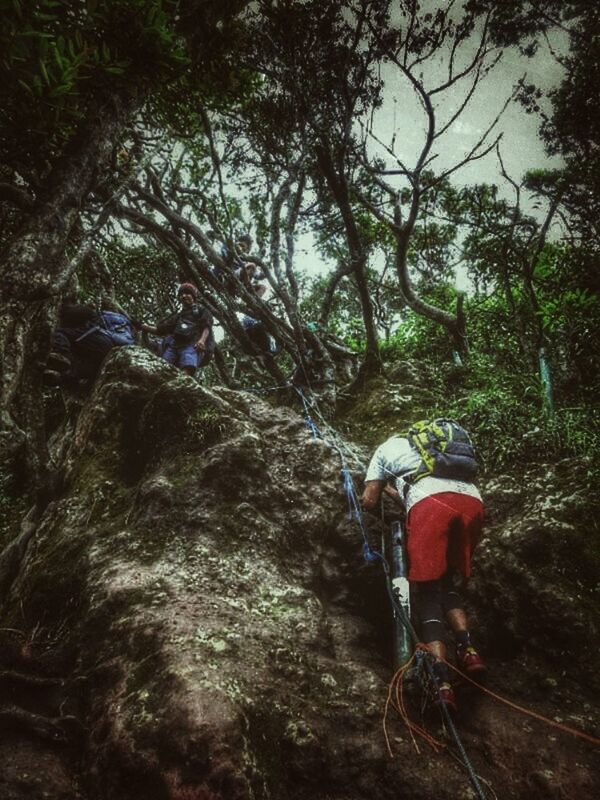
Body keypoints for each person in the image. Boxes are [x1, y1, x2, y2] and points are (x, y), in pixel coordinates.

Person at [361, 419, 486, 713]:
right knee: (447, 581)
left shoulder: (384, 450)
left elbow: (369, 499)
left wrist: (370, 490)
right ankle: (468, 650)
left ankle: (441, 681)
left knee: (428, 590)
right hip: (471, 502)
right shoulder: (440, 453)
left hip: (430, 503)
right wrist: (399, 492)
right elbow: (422, 490)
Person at [44, 301, 137, 387]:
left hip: (103, 341)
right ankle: (60, 378)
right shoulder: (126, 325)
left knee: (60, 333)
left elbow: (74, 312)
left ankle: (61, 353)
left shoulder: (102, 314)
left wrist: (66, 308)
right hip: (110, 357)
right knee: (79, 369)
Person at [141, 283, 215, 376]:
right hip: (174, 346)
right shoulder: (178, 317)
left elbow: (207, 326)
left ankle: (183, 383)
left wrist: (202, 341)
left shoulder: (202, 311)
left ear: (193, 296)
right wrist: (143, 326)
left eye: (187, 293)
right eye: (181, 294)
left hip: (192, 345)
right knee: (163, 367)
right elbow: (160, 330)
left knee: (188, 365)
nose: (184, 296)